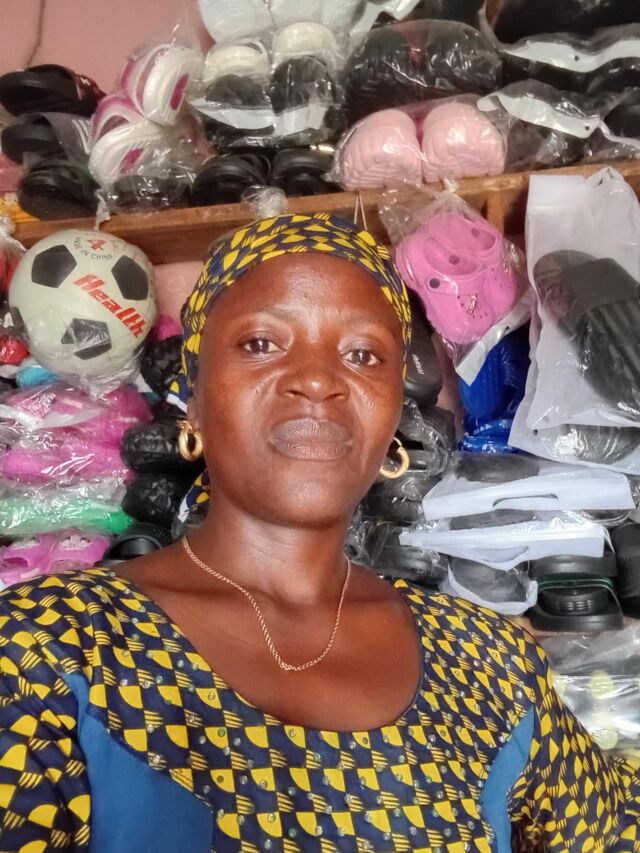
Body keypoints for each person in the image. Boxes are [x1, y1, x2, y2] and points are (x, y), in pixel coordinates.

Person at [0, 213, 638, 853]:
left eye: (362, 354)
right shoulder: (47, 645)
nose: (317, 379)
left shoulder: (488, 662)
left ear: (394, 415)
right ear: (194, 397)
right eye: (260, 343)